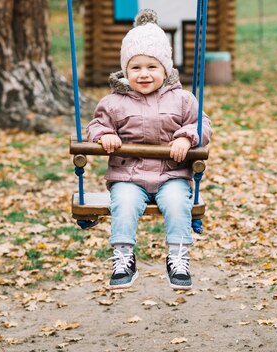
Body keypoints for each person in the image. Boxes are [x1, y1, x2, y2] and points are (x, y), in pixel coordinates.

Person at [86, 9, 212, 291]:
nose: (144, 74)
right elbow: (95, 125)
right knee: (125, 205)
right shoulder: (113, 102)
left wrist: (186, 138)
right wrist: (104, 135)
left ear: (165, 68)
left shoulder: (182, 99)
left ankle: (178, 257)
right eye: (136, 67)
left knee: (179, 205)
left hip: (172, 175)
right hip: (128, 176)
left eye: (151, 67)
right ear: (125, 70)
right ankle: (123, 258)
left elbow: (202, 124)